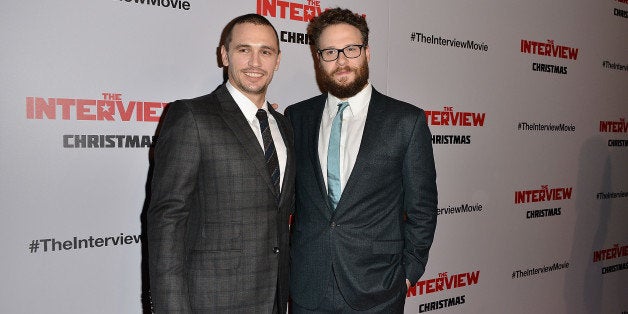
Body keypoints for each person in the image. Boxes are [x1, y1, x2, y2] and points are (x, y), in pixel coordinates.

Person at [285, 8, 437, 313]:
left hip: (377, 290)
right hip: (307, 287)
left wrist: (408, 274)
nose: (342, 60)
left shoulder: (405, 121)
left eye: (351, 49)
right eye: (330, 52)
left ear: (367, 52)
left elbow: (423, 209)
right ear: (318, 58)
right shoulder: (296, 117)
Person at [147, 13, 294, 313]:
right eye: (244, 49)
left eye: (265, 52)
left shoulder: (284, 126)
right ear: (225, 55)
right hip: (211, 301)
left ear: (277, 60)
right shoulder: (192, 117)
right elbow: (167, 221)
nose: (255, 62)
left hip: (274, 300)